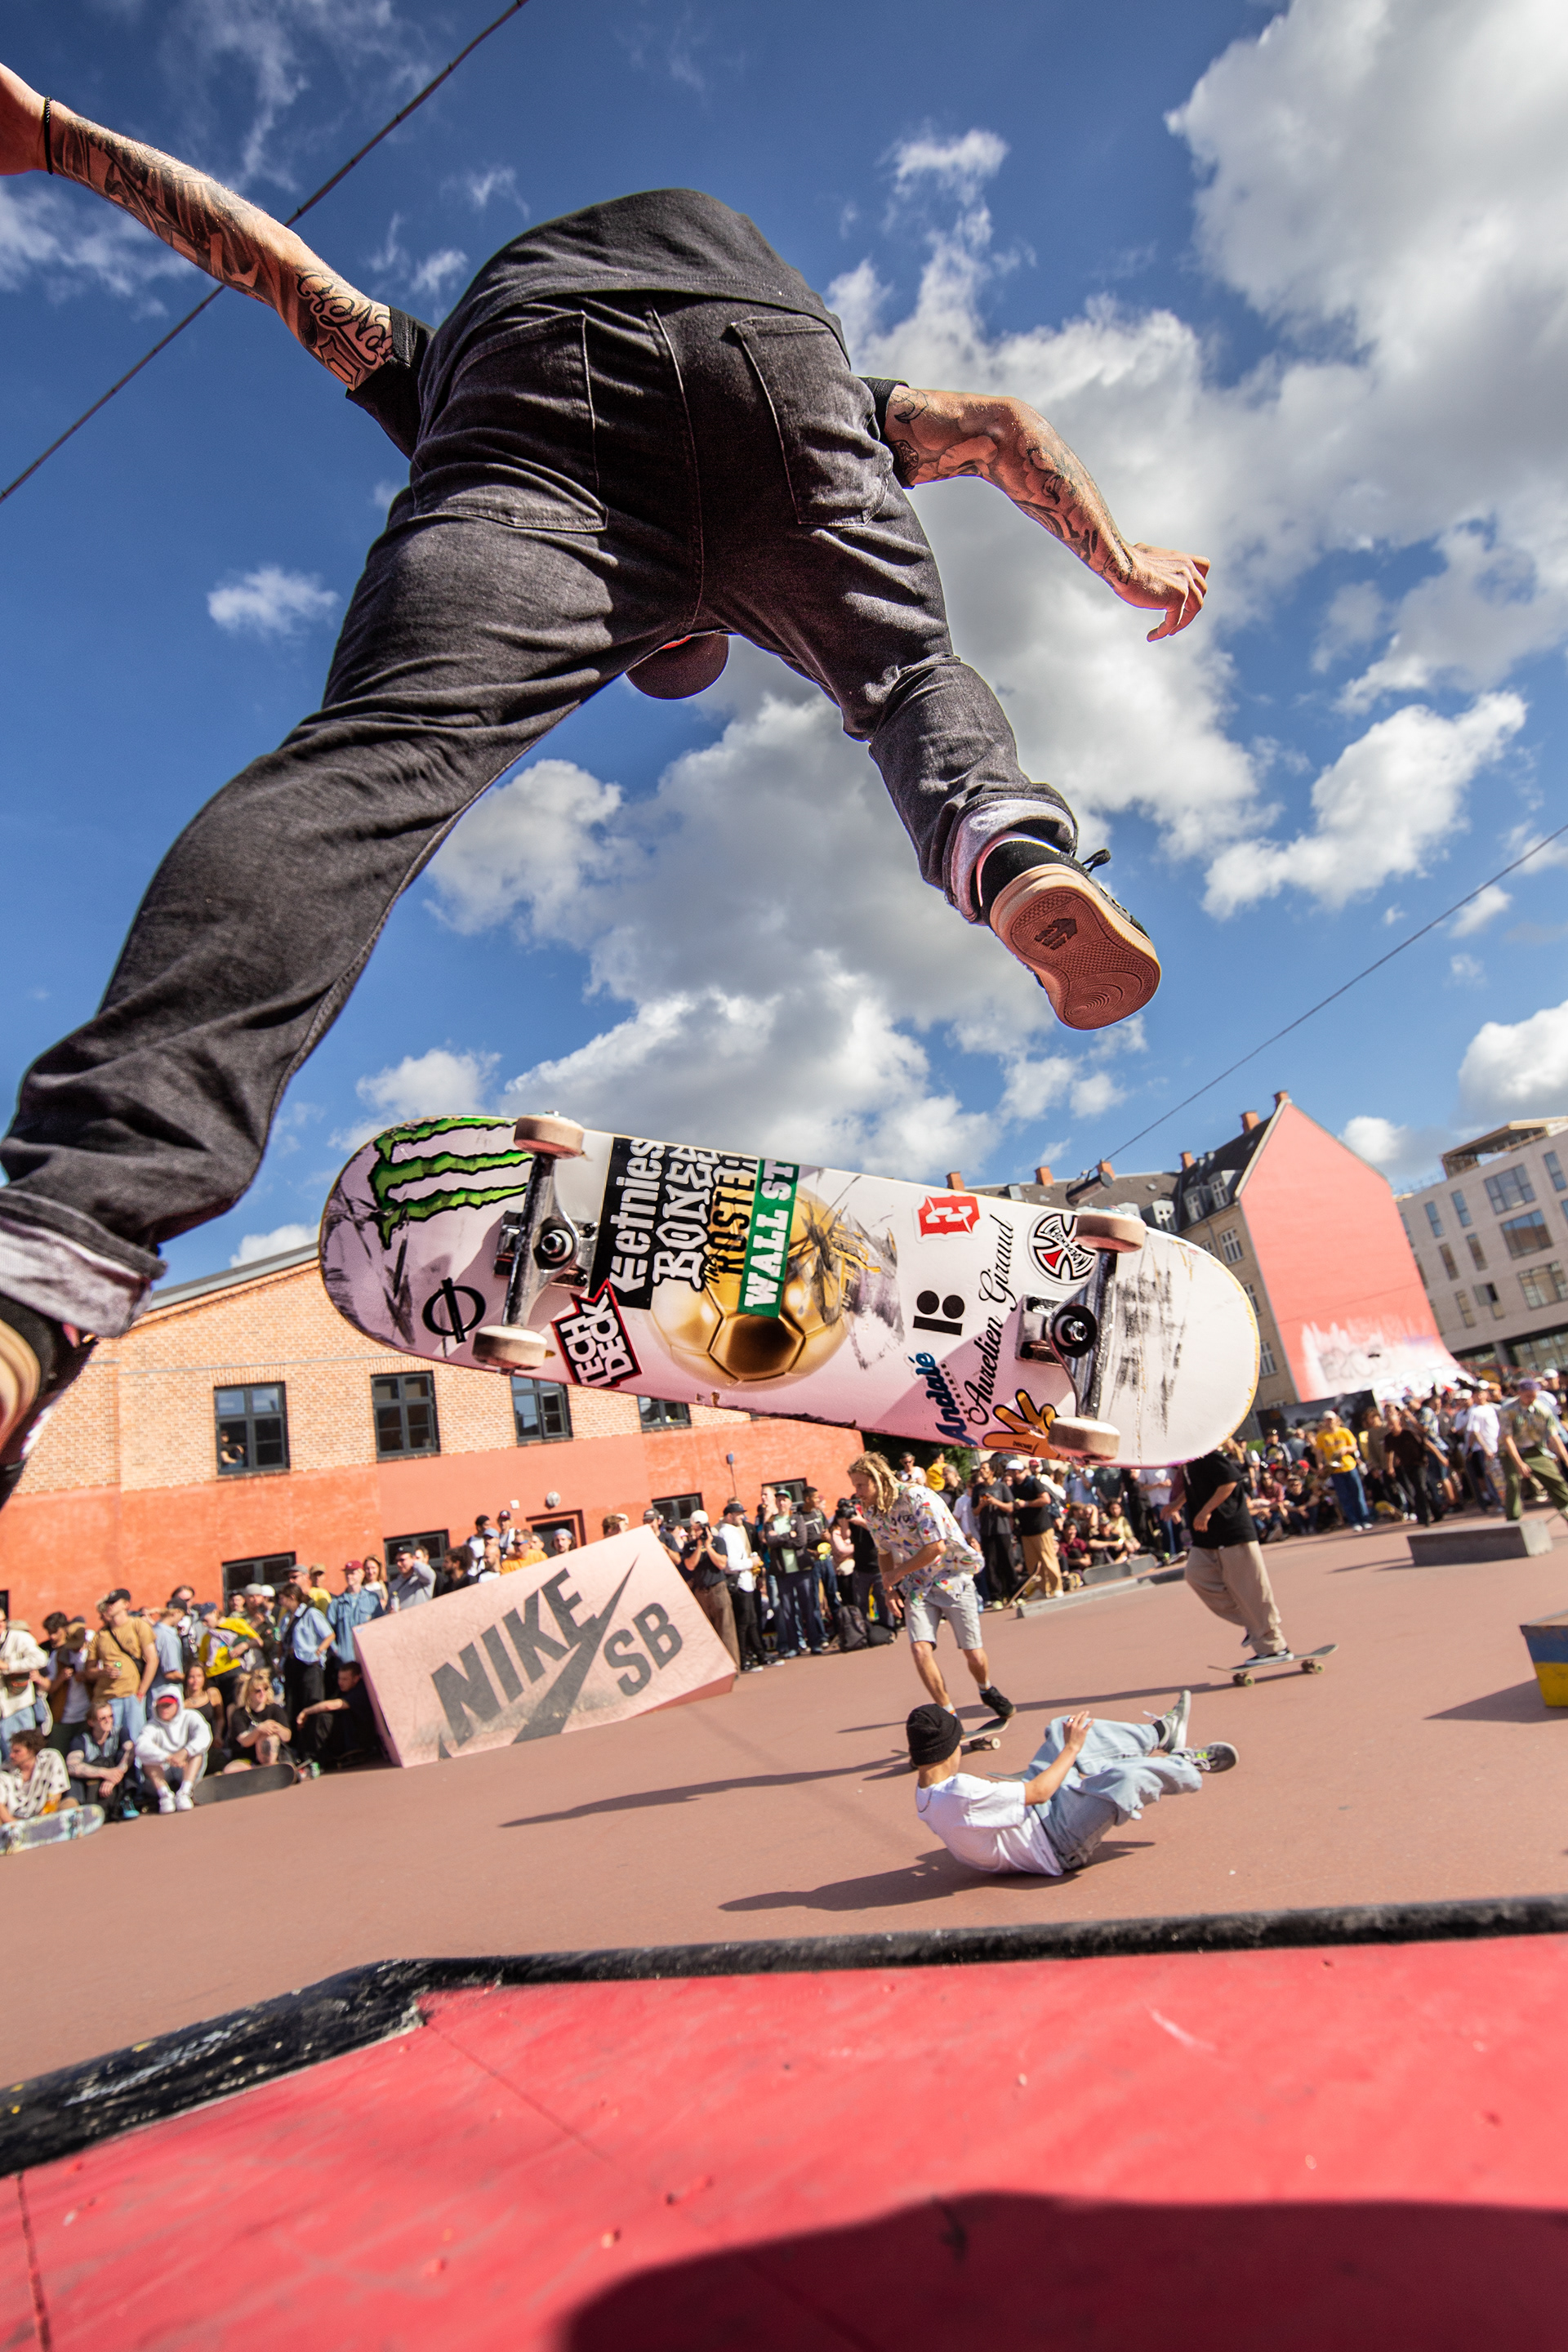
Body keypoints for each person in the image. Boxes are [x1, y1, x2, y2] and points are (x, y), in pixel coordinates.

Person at [0, 69, 1209, 1507]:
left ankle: (57, 1244)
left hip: (527, 384)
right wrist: (1122, 558)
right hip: (772, 361)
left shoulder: (432, 378)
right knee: (902, 677)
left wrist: (58, 137)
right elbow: (999, 426)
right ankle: (1002, 841)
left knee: (381, 753)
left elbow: (270, 266)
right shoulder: (863, 416)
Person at [907, 1690, 1234, 1878]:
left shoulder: (926, 1793)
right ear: (952, 1748)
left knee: (1060, 1728)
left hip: (1039, 1818)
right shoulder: (959, 1793)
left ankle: (1160, 1734)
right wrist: (1072, 1749)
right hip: (1056, 1845)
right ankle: (1188, 1765)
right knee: (1122, 1779)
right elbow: (1039, 1792)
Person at [847, 1452, 1014, 1728]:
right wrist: (890, 1588)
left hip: (952, 1575)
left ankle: (986, 1688)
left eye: (861, 1485)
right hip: (918, 1585)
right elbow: (884, 1550)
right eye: (855, 1486)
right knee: (919, 1650)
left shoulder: (917, 1497)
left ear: (878, 1479)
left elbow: (936, 1547)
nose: (857, 1492)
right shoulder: (872, 1512)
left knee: (973, 1653)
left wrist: (897, 1573)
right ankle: (950, 1717)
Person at [1176, 1440, 1291, 1664]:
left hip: (1232, 1530)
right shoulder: (1188, 1462)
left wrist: (1206, 1511)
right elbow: (1195, 1488)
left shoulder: (1208, 1454)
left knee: (1252, 1589)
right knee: (1196, 1576)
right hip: (1207, 1537)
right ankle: (1253, 1623)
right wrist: (1176, 1504)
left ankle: (1275, 1647)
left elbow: (1229, 1481)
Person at [85, 1591, 158, 1741]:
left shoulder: (138, 1625)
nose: (109, 1606)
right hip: (106, 1698)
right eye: (108, 1603)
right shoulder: (100, 1635)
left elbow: (153, 1660)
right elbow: (88, 1672)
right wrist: (102, 1672)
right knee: (110, 1742)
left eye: (113, 1603)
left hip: (131, 1694)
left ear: (126, 1604)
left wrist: (141, 1692)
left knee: (135, 1741)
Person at [294, 1660, 385, 1771]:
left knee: (324, 1719)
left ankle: (316, 1760)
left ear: (356, 1678)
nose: (340, 1682)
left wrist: (305, 1711)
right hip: (344, 1733)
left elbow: (332, 1705)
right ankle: (302, 1756)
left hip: (355, 1739)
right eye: (339, 1678)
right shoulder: (343, 1690)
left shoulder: (360, 1691)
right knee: (316, 1716)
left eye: (345, 1679)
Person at [134, 1682, 211, 1812]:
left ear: (178, 1705)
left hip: (186, 1768)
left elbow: (205, 1736)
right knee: (147, 1760)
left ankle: (185, 1792)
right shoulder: (151, 1725)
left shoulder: (191, 1716)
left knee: (198, 1753)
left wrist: (185, 1752)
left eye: (168, 1705)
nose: (165, 1709)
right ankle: (165, 1795)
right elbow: (141, 1746)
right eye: (161, 1706)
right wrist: (168, 1757)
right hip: (164, 1771)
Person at [679, 1511, 742, 1668]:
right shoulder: (690, 1547)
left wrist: (708, 1546)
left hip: (718, 1589)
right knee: (707, 1633)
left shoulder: (718, 1542)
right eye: (696, 1529)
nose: (699, 1531)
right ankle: (714, 1669)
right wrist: (700, 1546)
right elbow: (690, 1565)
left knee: (726, 1631)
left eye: (702, 1528)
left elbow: (721, 1564)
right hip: (701, 1591)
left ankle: (732, 1667)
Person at [278, 1584, 334, 1759]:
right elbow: (282, 1642)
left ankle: (313, 1751)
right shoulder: (286, 1619)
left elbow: (329, 1635)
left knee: (311, 1704)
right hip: (291, 1664)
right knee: (292, 1705)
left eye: (283, 1599)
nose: (281, 1603)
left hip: (309, 1663)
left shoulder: (311, 1614)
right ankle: (297, 1750)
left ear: (292, 1597)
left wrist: (318, 1652)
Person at [1502, 1379, 1568, 1524]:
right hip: (1510, 1452)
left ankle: (1566, 1509)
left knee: (1556, 1481)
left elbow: (1554, 1437)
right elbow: (1507, 1439)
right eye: (1528, 1396)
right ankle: (1513, 1521)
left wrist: (1566, 1459)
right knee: (1513, 1482)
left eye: (1534, 1396)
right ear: (1519, 1393)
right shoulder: (1508, 1409)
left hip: (1535, 1450)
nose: (1531, 1399)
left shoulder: (1542, 1409)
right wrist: (1519, 1463)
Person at [715, 1500, 768, 1671]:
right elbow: (730, 1564)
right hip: (738, 1584)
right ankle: (743, 1660)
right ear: (729, 1516)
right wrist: (751, 1562)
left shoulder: (734, 1531)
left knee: (752, 1621)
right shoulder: (726, 1533)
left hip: (746, 1581)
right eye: (738, 1515)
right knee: (743, 1624)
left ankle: (760, 1655)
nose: (742, 1517)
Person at [65, 1699, 139, 1817]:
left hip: (115, 1780)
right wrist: (105, 1773)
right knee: (75, 1776)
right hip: (93, 1781)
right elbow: (72, 1766)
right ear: (91, 1722)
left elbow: (131, 1750)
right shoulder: (81, 1739)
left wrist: (115, 1776)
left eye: (111, 1716)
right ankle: (74, 1810)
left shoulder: (120, 1732)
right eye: (103, 1718)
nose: (108, 1721)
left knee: (125, 1757)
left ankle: (127, 1800)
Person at [0, 1726, 78, 1824]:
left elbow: (55, 1795)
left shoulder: (50, 1758)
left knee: (70, 1803)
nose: (11, 1755)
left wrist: (43, 1818)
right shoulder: (4, 1770)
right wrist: (14, 1824)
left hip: (44, 1815)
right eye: (12, 1751)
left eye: (17, 1752)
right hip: (15, 1820)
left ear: (31, 1751)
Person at [224, 1667, 292, 1772]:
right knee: (229, 1770)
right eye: (257, 1691)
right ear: (248, 1693)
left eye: (265, 1689)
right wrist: (259, 1730)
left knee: (269, 1737)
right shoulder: (239, 1714)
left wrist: (275, 1727)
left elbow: (287, 1736)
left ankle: (270, 1768)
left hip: (271, 1757)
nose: (262, 1693)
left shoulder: (275, 1709)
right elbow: (244, 1741)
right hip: (246, 1758)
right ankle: (255, 1771)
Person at [1013, 1463, 1066, 1600]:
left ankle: (1057, 1587)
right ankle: (1042, 1589)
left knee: (1048, 1559)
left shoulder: (1033, 1482)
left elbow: (1045, 1499)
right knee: (1033, 1564)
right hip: (1026, 1530)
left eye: (1012, 1472)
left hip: (1041, 1528)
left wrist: (1026, 1504)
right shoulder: (1014, 1487)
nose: (1011, 1475)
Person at [1312, 1410, 1370, 1535]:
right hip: (1335, 1470)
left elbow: (1354, 1447)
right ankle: (1354, 1522)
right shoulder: (1322, 1436)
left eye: (1331, 1420)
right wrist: (1320, 1465)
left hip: (1349, 1467)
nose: (1329, 1422)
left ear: (1336, 1420)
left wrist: (1345, 1449)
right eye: (1327, 1420)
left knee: (1357, 1494)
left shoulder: (1344, 1432)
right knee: (1344, 1497)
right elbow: (1319, 1452)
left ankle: (1364, 1519)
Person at [181, 1661, 227, 1767]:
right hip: (192, 1746)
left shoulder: (212, 1694)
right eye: (191, 1677)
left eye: (199, 1676)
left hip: (212, 1744)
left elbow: (220, 1718)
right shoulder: (183, 1703)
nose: (195, 1680)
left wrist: (218, 1735)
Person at [388, 1544, 436, 1610]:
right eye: (397, 1561)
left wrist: (414, 1562)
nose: (399, 1564)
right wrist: (390, 1612)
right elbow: (387, 1609)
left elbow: (428, 1573)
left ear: (413, 1559)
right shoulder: (393, 1585)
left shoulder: (422, 1579)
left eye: (402, 1560)